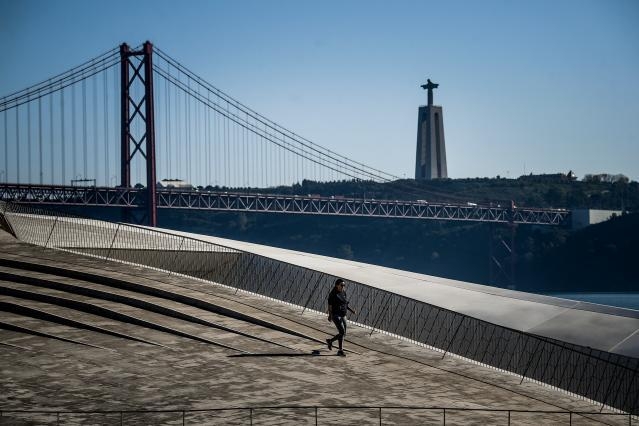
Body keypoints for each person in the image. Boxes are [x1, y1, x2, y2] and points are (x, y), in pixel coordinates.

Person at [326, 278, 356, 356]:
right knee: (342, 332)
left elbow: (345, 303)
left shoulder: (343, 292)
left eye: (344, 285)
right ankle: (340, 350)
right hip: (336, 315)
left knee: (343, 333)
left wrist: (351, 310)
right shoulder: (333, 294)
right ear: (337, 285)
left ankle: (330, 341)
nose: (343, 286)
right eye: (341, 285)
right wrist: (330, 315)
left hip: (343, 315)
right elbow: (330, 305)